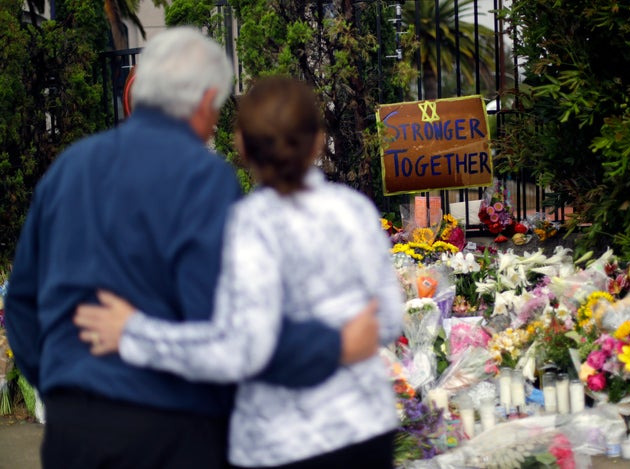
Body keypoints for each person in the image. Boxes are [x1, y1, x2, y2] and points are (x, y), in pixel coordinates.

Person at [4, 27, 379, 469]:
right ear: (204, 102)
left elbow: (22, 304)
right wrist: (332, 344)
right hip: (171, 432)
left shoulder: (69, 169)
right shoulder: (203, 178)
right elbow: (231, 325)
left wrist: (61, 383)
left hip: (74, 431)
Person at [74, 76, 404, 469]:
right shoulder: (356, 211)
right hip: (366, 428)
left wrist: (133, 332)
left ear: (242, 146)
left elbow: (239, 349)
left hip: (281, 443)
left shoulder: (244, 228)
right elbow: (387, 320)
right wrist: (340, 342)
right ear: (317, 141)